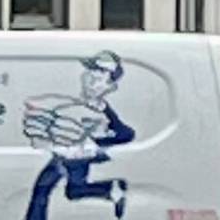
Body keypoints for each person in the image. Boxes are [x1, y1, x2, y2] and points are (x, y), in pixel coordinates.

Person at [25, 51, 140, 220]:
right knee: (73, 190)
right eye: (90, 71)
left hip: (77, 154)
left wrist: (93, 142)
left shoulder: (100, 109)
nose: (91, 77)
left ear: (110, 86)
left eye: (100, 74)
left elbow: (126, 134)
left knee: (43, 188)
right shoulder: (78, 103)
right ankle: (110, 188)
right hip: (69, 151)